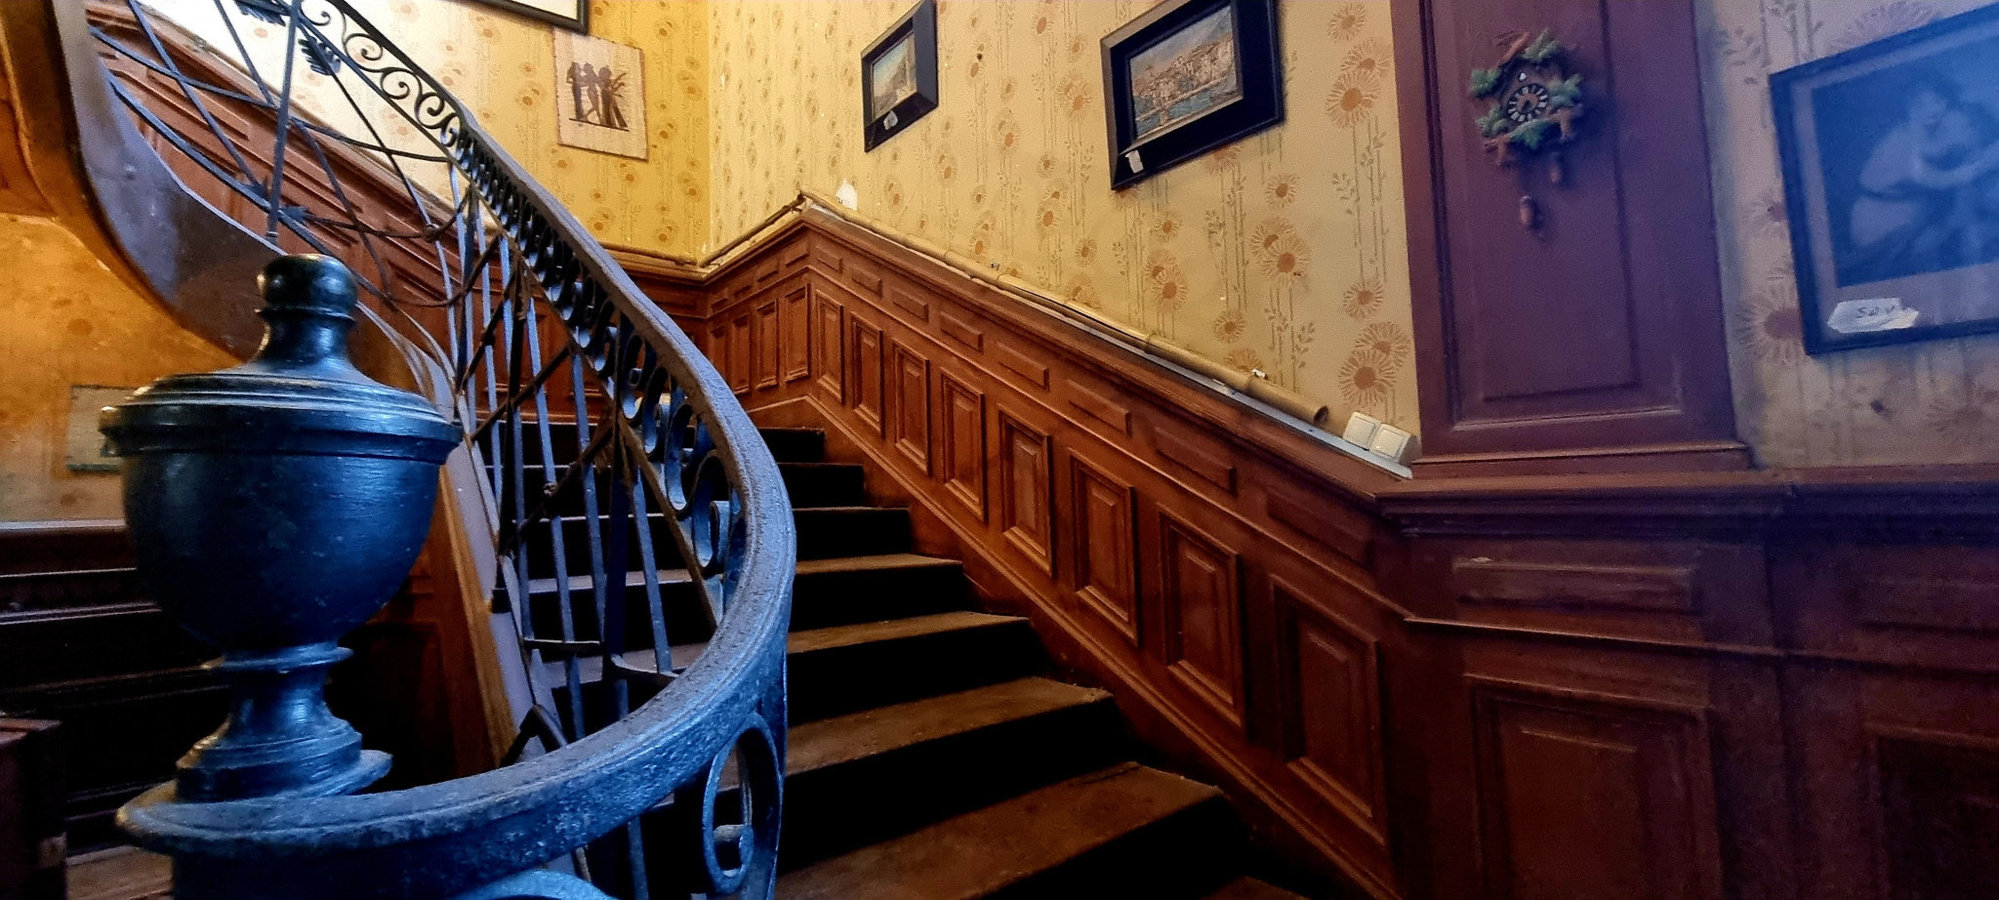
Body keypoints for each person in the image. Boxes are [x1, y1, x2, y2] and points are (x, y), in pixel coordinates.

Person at [1846, 72, 1999, 293]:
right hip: (1880, 223)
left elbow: (1945, 151)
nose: (1936, 109)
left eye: (1940, 101)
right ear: (1909, 107)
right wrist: (1984, 162)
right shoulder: (1901, 141)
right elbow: (1941, 180)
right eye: (1922, 104)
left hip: (1915, 216)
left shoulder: (1935, 130)